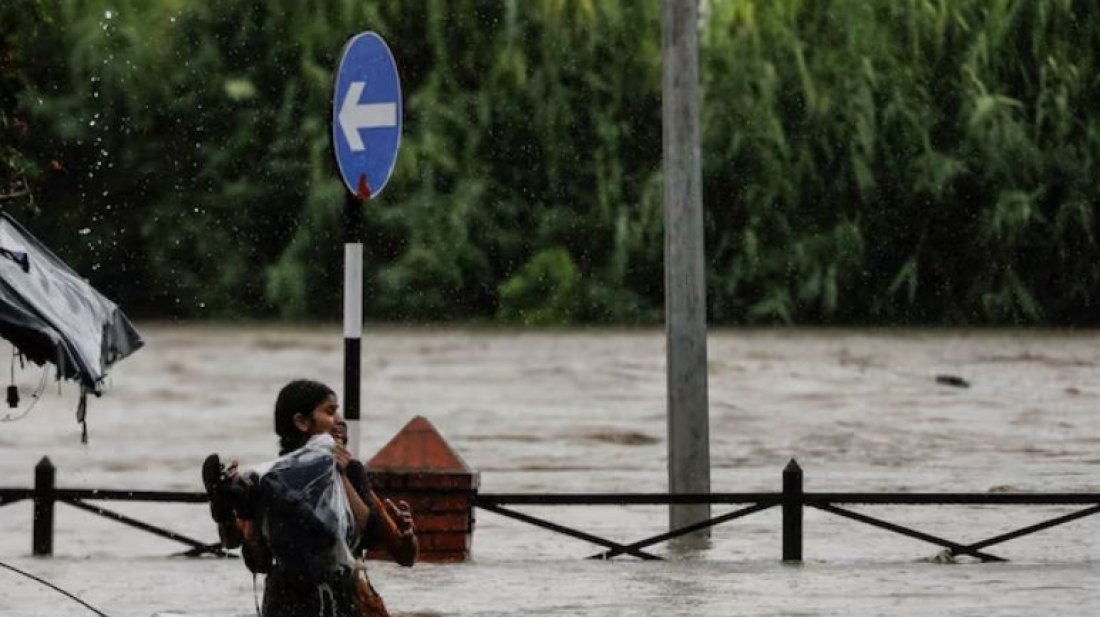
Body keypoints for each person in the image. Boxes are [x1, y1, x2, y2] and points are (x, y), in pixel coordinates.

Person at [203, 379, 418, 617]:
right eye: (330, 411)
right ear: (302, 422)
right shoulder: (270, 481)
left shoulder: (349, 472)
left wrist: (407, 534)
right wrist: (231, 506)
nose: (340, 420)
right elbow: (257, 559)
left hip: (336, 599)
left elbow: (397, 550)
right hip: (297, 602)